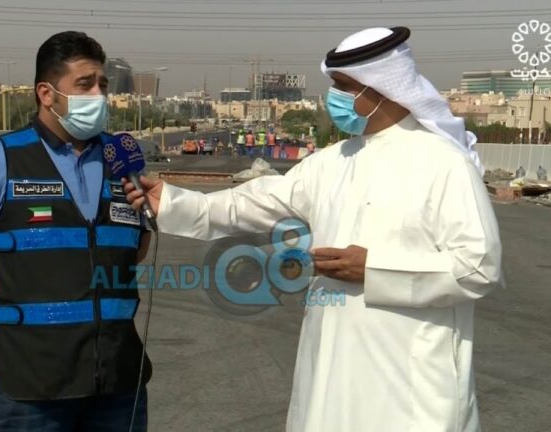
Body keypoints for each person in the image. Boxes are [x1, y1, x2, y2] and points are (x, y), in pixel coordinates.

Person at [124, 27, 502, 432]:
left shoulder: (443, 163)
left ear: (381, 88)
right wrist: (175, 202)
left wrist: (373, 269)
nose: (333, 98)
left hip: (410, 385)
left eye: (344, 87)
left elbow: (478, 267)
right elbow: (258, 202)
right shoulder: (335, 160)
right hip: (332, 373)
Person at [0, 31, 152, 431]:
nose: (99, 95)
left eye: (103, 85)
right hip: (27, 388)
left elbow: (135, 245)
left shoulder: (122, 159)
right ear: (46, 94)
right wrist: (7, 305)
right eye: (84, 84)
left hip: (117, 382)